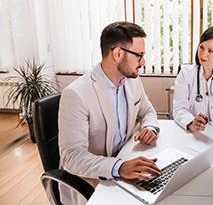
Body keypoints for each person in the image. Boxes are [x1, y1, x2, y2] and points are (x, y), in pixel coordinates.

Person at [58, 21, 162, 204]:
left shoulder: (132, 80)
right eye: (139, 55)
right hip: (92, 181)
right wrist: (119, 167)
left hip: (125, 164)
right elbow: (71, 157)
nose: (143, 62)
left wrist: (150, 129)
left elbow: (148, 111)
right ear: (118, 53)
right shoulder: (76, 94)